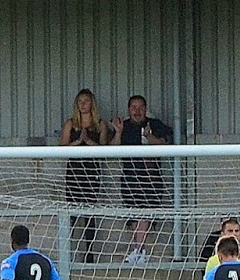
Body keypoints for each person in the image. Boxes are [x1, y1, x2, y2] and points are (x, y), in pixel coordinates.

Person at [109, 95, 173, 264]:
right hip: (130, 178)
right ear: (128, 109)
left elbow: (166, 147)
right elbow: (112, 151)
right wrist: (119, 132)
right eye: (133, 107)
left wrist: (149, 136)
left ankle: (140, 251)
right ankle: (139, 250)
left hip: (150, 178)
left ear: (145, 109)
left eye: (140, 107)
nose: (137, 111)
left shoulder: (155, 124)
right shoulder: (124, 126)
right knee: (133, 216)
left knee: (145, 214)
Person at [60, 89, 109, 263]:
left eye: (86, 101)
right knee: (72, 212)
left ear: (92, 104)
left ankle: (89, 253)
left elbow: (104, 149)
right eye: (79, 101)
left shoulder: (100, 124)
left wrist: (88, 142)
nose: (82, 104)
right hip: (74, 172)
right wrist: (78, 142)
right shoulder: (70, 123)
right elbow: (62, 147)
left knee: (90, 212)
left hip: (92, 171)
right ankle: (68, 252)